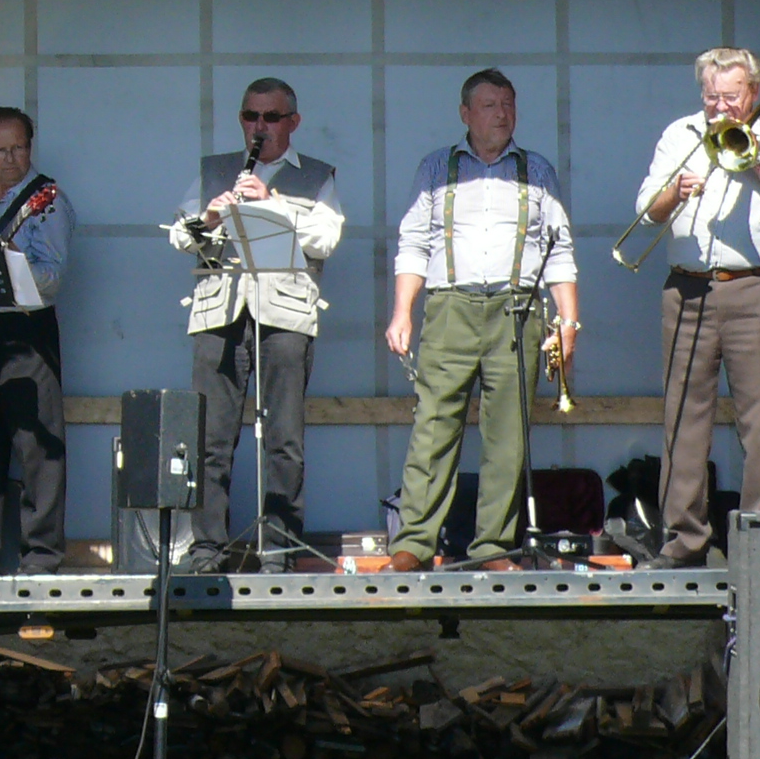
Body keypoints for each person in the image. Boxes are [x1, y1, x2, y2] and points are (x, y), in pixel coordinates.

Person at [385, 69, 579, 573]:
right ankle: (414, 543)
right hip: (450, 307)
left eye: (508, 104)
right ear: (465, 113)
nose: (502, 113)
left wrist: (569, 322)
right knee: (433, 426)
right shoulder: (437, 167)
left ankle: (493, 545)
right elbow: (414, 243)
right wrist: (403, 311)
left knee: (508, 433)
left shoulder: (536, 170)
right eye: (490, 105)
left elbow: (559, 251)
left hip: (516, 311)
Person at [635, 47, 760, 569]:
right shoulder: (680, 135)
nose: (720, 107)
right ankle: (683, 541)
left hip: (754, 288)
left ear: (753, 93)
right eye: (711, 96)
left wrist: (756, 160)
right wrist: (675, 193)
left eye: (731, 97)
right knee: (683, 419)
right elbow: (645, 211)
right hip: (687, 288)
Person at [168, 78, 344, 574]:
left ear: (293, 122)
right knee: (211, 437)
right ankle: (207, 548)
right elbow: (179, 235)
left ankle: (280, 549)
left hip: (284, 314)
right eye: (251, 116)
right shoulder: (215, 171)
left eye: (271, 117)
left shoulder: (316, 176)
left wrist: (270, 204)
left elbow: (326, 238)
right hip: (219, 311)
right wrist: (209, 218)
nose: (259, 126)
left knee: (283, 438)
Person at [0, 106, 75, 576]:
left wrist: (14, 260)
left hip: (26, 327)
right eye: (1, 150)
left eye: (19, 147)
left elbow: (54, 279)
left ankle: (41, 558)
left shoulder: (50, 200)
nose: (11, 158)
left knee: (38, 447)